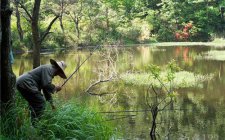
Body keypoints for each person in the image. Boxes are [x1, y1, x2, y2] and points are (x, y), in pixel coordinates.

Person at [16, 59, 67, 125]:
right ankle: (35, 125)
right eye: (60, 73)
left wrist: (52, 104)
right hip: (26, 83)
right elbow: (46, 85)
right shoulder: (48, 69)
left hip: (22, 82)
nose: (58, 75)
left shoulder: (49, 70)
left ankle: (30, 124)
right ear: (58, 70)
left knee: (34, 103)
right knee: (41, 102)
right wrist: (55, 88)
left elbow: (45, 89)